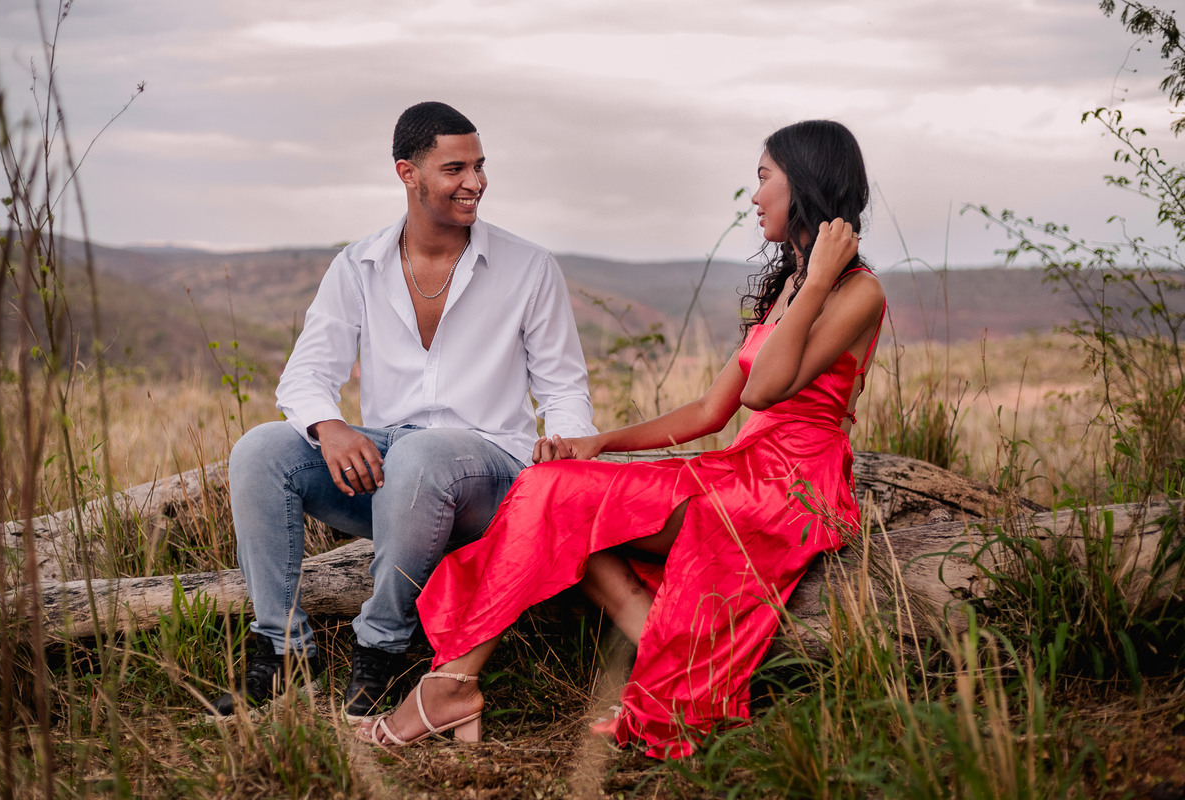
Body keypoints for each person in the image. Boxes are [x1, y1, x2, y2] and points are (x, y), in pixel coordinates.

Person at [356, 119, 887, 758]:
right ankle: (633, 645)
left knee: (562, 505)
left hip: (791, 491)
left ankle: (451, 688)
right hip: (746, 464)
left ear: (804, 185)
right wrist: (599, 444)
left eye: (764, 179)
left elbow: (761, 391)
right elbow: (708, 411)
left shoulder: (858, 291)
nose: (754, 198)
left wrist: (822, 280)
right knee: (553, 485)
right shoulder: (795, 286)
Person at [208, 101, 596, 721]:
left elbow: (565, 389)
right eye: (455, 168)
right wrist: (329, 426)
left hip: (491, 473)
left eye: (480, 166)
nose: (476, 182)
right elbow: (306, 375)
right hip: (392, 476)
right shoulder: (358, 266)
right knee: (262, 450)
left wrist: (569, 443)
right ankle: (283, 653)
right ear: (407, 173)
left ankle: (382, 649)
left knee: (421, 452)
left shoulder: (528, 267)